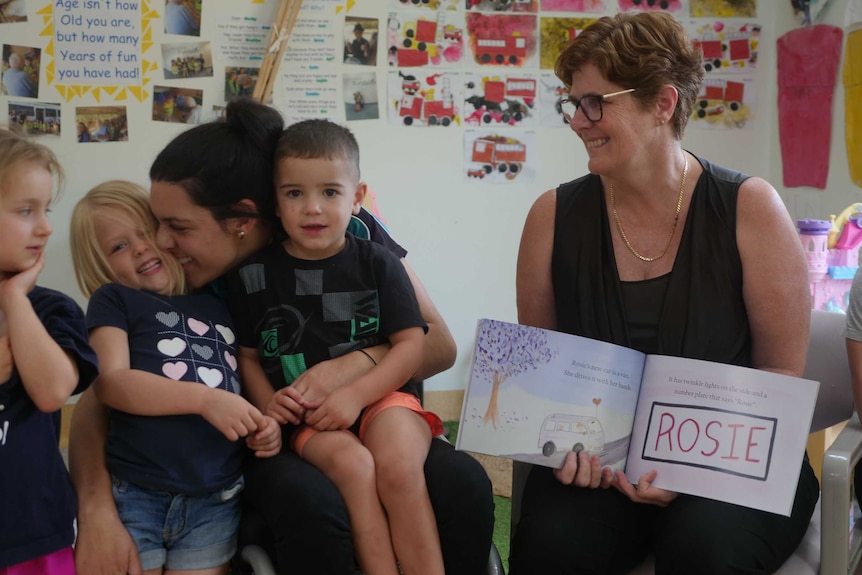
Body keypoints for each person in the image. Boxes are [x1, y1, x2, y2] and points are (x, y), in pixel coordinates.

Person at [68, 97, 495, 575]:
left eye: (177, 227)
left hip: (378, 412)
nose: (162, 242)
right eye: (156, 224)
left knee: (462, 484)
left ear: (243, 220)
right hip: (278, 434)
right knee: (312, 503)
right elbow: (104, 394)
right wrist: (96, 508)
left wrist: (348, 367)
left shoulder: (348, 231)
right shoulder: (183, 279)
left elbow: (437, 345)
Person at [509, 11, 818, 575]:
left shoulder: (749, 208)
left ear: (663, 103)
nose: (579, 121)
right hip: (600, 469)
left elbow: (780, 375)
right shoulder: (552, 217)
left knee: (702, 553)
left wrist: (687, 468)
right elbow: (542, 377)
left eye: (596, 102)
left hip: (735, 461)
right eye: (572, 104)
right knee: (549, 548)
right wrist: (567, 442)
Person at [228, 119, 445, 575]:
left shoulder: (379, 263)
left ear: (358, 196)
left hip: (383, 398)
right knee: (354, 467)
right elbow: (247, 357)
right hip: (309, 416)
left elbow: (410, 347)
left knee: (400, 467)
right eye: (294, 194)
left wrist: (354, 396)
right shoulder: (254, 275)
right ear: (275, 199)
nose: (312, 208)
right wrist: (272, 412)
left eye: (330, 192)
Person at [68, 181, 281, 575]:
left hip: (215, 498)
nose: (141, 247)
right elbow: (111, 383)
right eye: (119, 246)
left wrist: (261, 424)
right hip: (137, 494)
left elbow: (238, 380)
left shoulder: (221, 302)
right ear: (99, 264)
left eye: (146, 231)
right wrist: (204, 400)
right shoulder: (115, 300)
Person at [0, 130, 99, 574]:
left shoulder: (52, 308)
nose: (45, 227)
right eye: (25, 211)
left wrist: (15, 299)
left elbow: (52, 391)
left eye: (46, 209)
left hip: (33, 534)